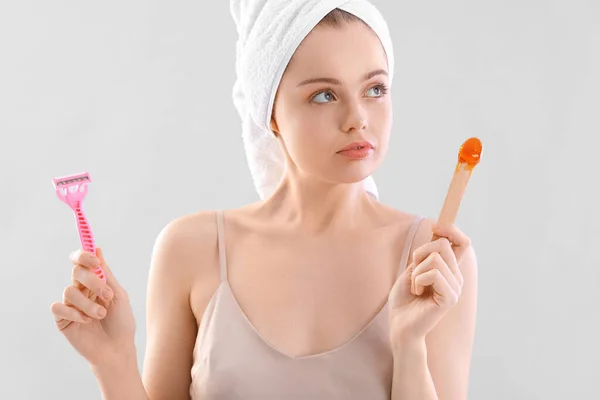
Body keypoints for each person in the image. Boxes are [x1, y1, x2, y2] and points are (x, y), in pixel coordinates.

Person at [50, 3, 478, 400]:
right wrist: (113, 360)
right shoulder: (191, 249)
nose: (357, 118)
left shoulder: (435, 259)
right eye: (324, 95)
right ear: (269, 112)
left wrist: (410, 345)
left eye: (375, 89)